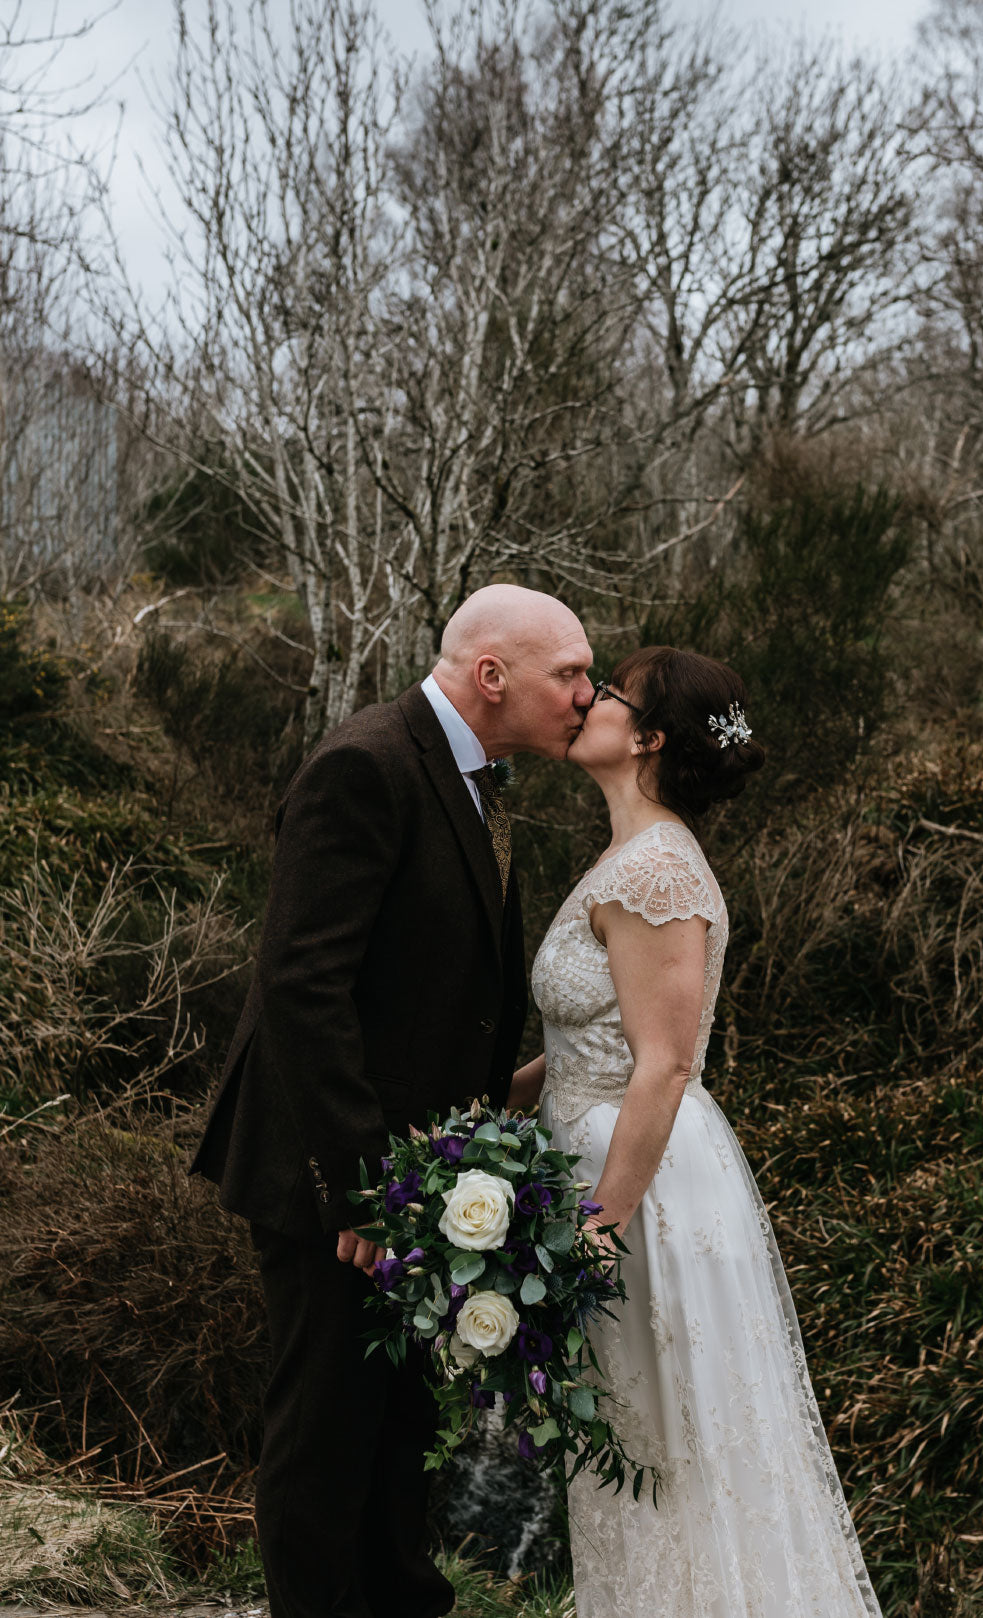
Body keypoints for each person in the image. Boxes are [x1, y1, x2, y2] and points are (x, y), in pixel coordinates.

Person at [191, 584, 594, 1618]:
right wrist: (369, 1192)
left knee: (398, 1421)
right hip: (332, 1174)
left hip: (415, 1175)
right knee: (325, 1435)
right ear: (492, 675)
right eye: (571, 675)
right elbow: (301, 983)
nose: (588, 695)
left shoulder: (474, 774)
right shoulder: (364, 766)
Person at [509, 645, 882, 1618]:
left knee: (671, 1451)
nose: (587, 700)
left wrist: (600, 1224)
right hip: (603, 1157)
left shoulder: (659, 868)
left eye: (610, 693)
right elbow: (601, 1031)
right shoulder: (629, 855)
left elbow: (666, 1063)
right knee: (638, 1456)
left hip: (638, 1187)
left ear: (649, 736)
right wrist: (489, 1116)